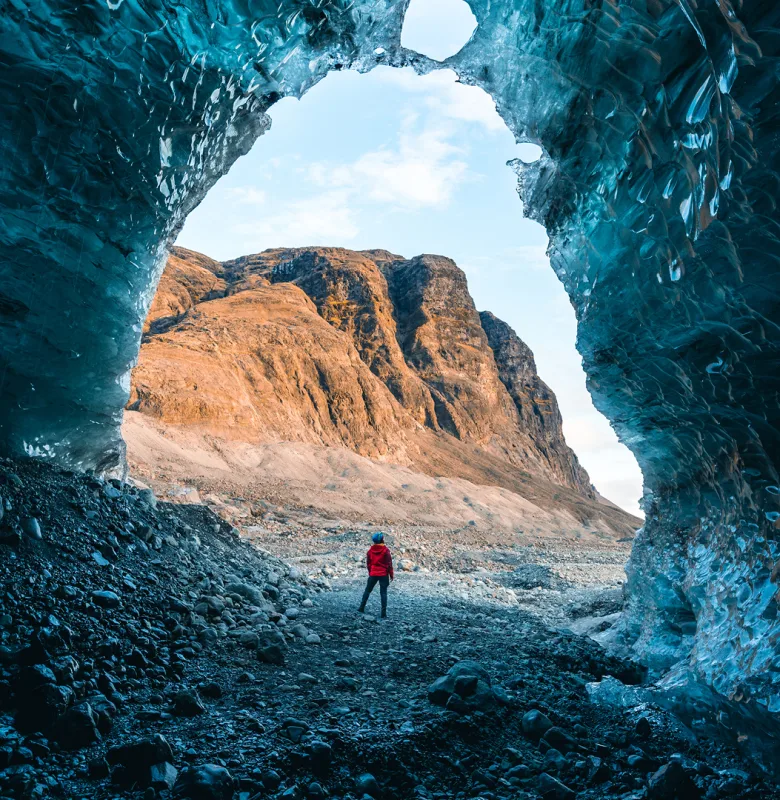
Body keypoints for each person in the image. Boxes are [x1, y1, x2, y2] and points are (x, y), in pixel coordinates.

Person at [358, 532, 394, 618]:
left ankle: (361, 607)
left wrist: (371, 572)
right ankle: (383, 613)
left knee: (367, 590)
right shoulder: (386, 551)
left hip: (373, 573)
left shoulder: (370, 551)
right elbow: (389, 564)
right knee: (383, 593)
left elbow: (368, 564)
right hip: (383, 574)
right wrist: (391, 574)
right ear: (382, 539)